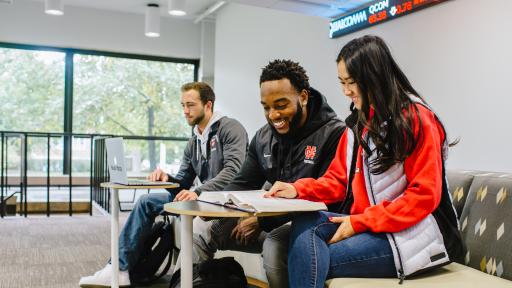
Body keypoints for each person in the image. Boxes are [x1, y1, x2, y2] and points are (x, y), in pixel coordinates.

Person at [266, 35, 464, 287]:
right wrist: (297, 189)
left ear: (374, 77)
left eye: (351, 82)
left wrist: (360, 222)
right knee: (306, 221)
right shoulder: (359, 124)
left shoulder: (417, 119)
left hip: (414, 237)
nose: (346, 91)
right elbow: (338, 181)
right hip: (373, 227)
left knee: (308, 258)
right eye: (341, 82)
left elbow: (424, 196)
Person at [192, 59, 346, 288]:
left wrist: (262, 222)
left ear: (303, 97)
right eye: (266, 107)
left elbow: (326, 198)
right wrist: (212, 206)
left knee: (274, 246)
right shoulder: (264, 137)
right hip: (270, 222)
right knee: (200, 227)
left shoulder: (335, 134)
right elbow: (242, 182)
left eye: (281, 105)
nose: (273, 115)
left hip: (310, 226)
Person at [79, 82, 248, 287]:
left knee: (193, 220)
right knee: (146, 202)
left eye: (191, 105)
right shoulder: (194, 140)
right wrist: (167, 178)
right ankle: (119, 269)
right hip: (198, 198)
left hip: (222, 201)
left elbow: (234, 171)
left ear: (208, 105)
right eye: (182, 105)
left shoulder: (230, 129)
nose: (185, 111)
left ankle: (181, 282)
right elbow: (183, 181)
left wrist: (198, 192)